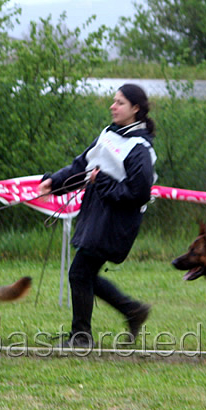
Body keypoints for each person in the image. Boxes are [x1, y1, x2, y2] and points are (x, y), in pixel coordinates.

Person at [37, 83, 157, 347]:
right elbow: (83, 165)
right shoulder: (108, 134)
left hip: (116, 221)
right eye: (114, 101)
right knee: (84, 274)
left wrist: (101, 182)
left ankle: (82, 337)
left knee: (80, 272)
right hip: (97, 213)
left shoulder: (139, 148)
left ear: (135, 109)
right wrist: (54, 183)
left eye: (120, 103)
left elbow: (138, 193)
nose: (113, 107)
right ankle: (132, 310)